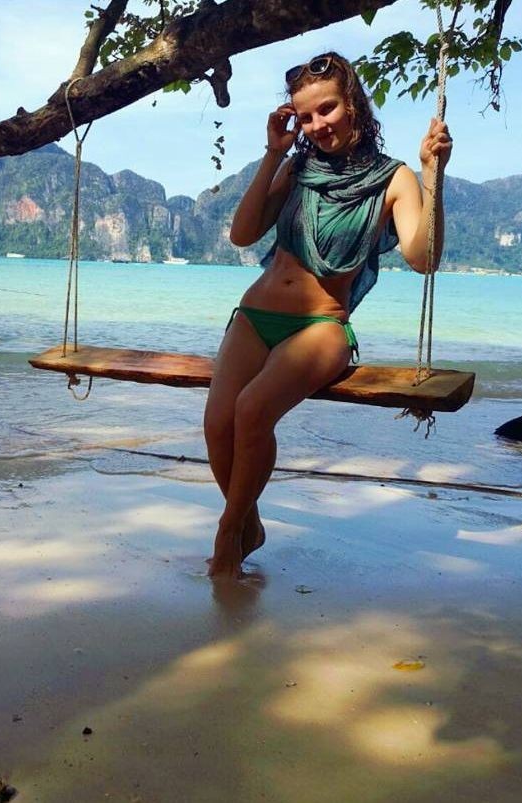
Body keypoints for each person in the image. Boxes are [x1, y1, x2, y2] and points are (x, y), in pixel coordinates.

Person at [203, 51, 453, 580]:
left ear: (353, 103)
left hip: (321, 326)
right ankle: (249, 523)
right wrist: (273, 154)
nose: (317, 124)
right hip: (255, 314)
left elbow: (422, 257)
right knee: (217, 423)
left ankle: (228, 531)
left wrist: (433, 174)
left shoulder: (394, 178)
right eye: (306, 116)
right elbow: (243, 234)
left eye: (327, 109)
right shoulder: (298, 169)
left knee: (252, 411)